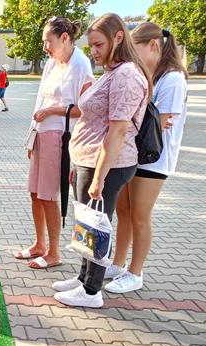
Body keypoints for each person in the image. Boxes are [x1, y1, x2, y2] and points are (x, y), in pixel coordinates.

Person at [53, 13, 152, 308]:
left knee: (97, 225)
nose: (93, 51)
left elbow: (119, 128)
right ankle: (84, 278)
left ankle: (92, 291)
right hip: (88, 159)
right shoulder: (114, 71)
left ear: (118, 38)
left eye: (98, 45)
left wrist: (98, 176)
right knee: (87, 223)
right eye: (91, 46)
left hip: (106, 163)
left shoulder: (126, 75)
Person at [105, 23, 188, 294]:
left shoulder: (173, 78)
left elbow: (158, 123)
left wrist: (133, 121)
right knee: (124, 211)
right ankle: (118, 264)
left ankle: (135, 272)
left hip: (154, 159)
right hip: (134, 154)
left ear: (153, 45)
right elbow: (143, 119)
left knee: (140, 215)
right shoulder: (151, 75)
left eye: (135, 51)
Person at [16, 17, 95, 270]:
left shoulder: (80, 63)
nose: (45, 47)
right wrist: (31, 134)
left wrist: (54, 111)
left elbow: (86, 108)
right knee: (35, 193)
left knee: (48, 194)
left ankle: (54, 252)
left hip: (59, 137)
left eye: (48, 41)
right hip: (41, 133)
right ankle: (39, 244)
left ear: (64, 38)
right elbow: (40, 100)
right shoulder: (52, 63)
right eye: (43, 42)